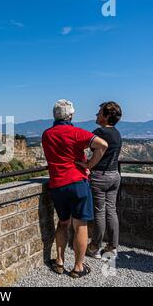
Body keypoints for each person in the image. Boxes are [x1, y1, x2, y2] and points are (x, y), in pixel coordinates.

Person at [42, 99, 108, 278]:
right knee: (80, 225)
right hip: (77, 183)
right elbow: (103, 145)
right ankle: (78, 267)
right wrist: (89, 164)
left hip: (57, 185)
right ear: (70, 115)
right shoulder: (77, 133)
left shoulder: (46, 134)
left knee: (63, 223)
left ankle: (59, 261)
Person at [77, 102, 123, 260]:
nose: (96, 115)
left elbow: (87, 147)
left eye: (99, 113)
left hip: (100, 176)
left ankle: (95, 247)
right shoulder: (117, 133)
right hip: (114, 175)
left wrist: (88, 165)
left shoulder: (100, 132)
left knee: (99, 212)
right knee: (111, 211)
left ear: (106, 116)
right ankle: (113, 247)